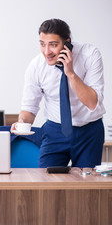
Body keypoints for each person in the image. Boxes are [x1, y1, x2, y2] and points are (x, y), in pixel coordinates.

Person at [11, 18, 106, 168]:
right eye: (42, 44)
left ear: (67, 42)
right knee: (45, 181)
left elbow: (92, 102)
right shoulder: (36, 66)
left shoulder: (89, 55)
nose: (47, 52)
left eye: (53, 45)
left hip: (89, 131)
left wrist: (71, 73)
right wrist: (22, 122)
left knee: (87, 183)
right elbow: (29, 107)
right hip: (55, 129)